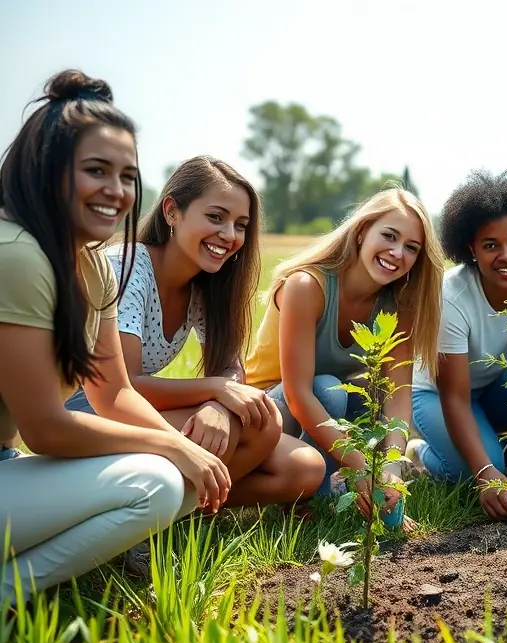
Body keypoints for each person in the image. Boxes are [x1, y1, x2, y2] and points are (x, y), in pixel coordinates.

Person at [0, 70, 230, 606]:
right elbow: (46, 429)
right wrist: (174, 445)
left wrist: (183, 451)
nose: (117, 191)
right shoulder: (17, 255)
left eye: (128, 175)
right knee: (159, 481)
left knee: (179, 476)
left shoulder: (92, 265)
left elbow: (114, 393)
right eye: (96, 171)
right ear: (48, 170)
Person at [66, 157, 325, 509]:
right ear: (172, 211)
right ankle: (147, 520)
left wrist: (218, 402)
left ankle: (183, 511)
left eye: (241, 224)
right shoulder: (126, 268)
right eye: (216, 217)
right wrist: (217, 390)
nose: (230, 235)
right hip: (91, 411)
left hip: (133, 406)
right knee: (258, 425)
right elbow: (123, 385)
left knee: (304, 468)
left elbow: (231, 370)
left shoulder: (206, 287)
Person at [245, 188, 444, 530]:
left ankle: (348, 496)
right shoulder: (307, 286)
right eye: (389, 236)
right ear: (363, 229)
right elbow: (298, 395)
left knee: (366, 394)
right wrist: (363, 466)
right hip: (268, 414)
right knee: (329, 389)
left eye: (411, 248)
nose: (397, 253)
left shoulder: (399, 306)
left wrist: (392, 467)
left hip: (325, 411)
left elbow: (397, 397)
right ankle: (305, 500)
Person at [406, 170, 507, 520]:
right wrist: (483, 474)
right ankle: (422, 455)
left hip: (496, 386)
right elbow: (455, 397)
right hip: (437, 394)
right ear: (471, 250)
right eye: (491, 245)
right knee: (475, 471)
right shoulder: (452, 296)